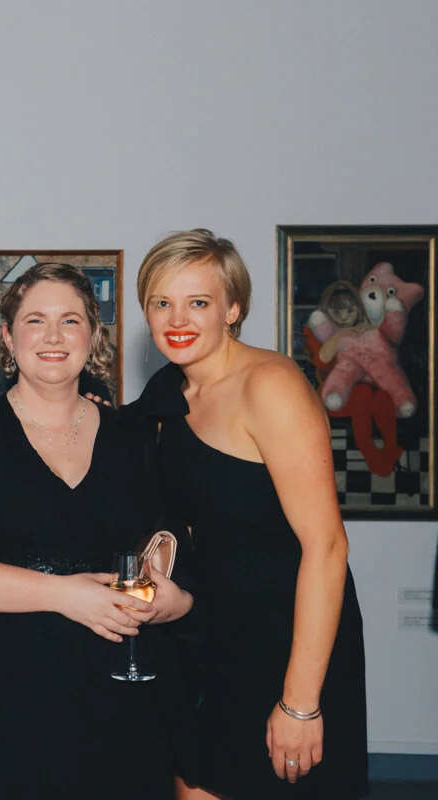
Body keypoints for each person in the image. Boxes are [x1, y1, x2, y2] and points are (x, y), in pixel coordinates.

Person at [0, 262, 193, 799]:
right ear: (7, 336)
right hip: (1, 698)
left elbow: (167, 554)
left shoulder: (133, 437)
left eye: (70, 320)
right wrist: (66, 595)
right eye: (35, 320)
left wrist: (167, 601)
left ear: (93, 335)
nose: (54, 336)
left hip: (120, 699)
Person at [128, 228, 368, 799]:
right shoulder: (168, 394)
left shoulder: (270, 384)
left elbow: (328, 546)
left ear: (232, 309)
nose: (177, 319)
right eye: (161, 302)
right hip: (207, 638)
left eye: (198, 302)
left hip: (287, 640)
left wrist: (300, 702)